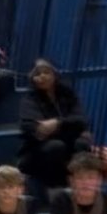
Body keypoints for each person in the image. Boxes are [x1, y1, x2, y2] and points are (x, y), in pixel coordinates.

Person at [17, 58, 91, 193]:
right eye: (37, 74)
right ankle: (54, 188)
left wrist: (57, 123)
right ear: (33, 79)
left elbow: (81, 120)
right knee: (56, 146)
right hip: (37, 151)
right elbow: (31, 127)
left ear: (55, 74)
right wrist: (68, 127)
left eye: (46, 72)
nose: (43, 76)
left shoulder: (67, 94)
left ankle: (79, 185)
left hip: (67, 141)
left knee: (82, 144)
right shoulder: (30, 99)